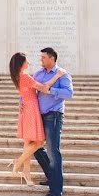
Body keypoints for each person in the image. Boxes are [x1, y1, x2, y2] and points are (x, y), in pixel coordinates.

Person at [7, 52, 67, 185]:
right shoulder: (25, 77)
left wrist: (21, 101)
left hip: (27, 108)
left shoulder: (19, 77)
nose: (28, 63)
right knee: (39, 142)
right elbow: (44, 88)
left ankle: (27, 175)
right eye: (26, 61)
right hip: (31, 109)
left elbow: (25, 92)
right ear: (21, 64)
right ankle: (19, 162)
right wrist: (57, 75)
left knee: (29, 142)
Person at [32, 47, 73, 196]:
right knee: (35, 147)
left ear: (52, 58)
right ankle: (52, 176)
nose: (41, 60)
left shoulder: (63, 74)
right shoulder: (38, 74)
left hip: (54, 116)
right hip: (39, 115)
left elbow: (69, 94)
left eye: (43, 57)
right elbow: (32, 91)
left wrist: (51, 90)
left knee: (53, 152)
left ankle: (56, 191)